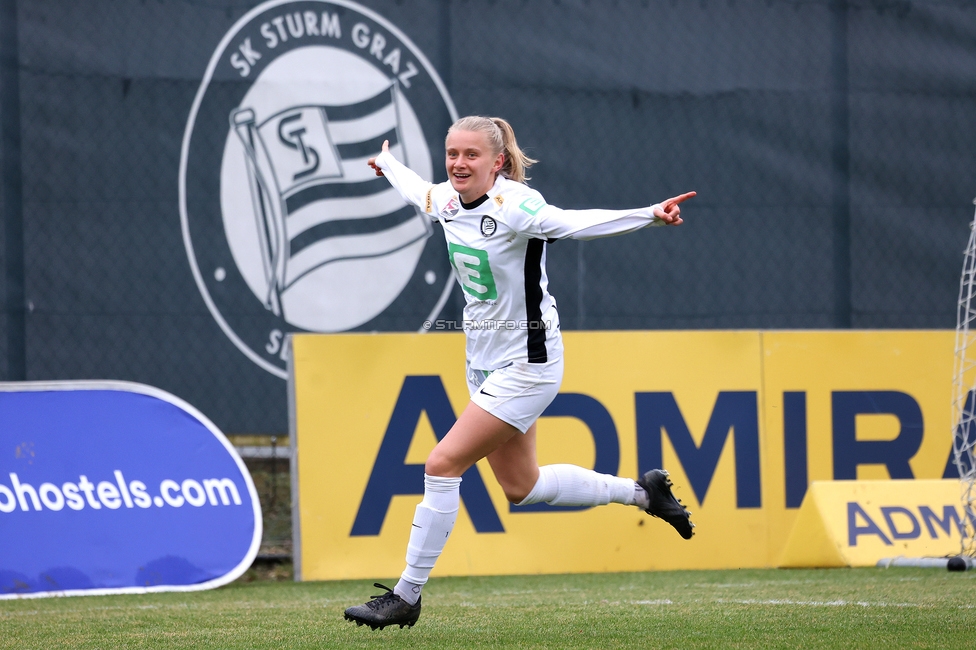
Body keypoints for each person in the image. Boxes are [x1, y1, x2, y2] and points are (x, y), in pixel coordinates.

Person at [343, 116, 696, 630]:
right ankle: (644, 493)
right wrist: (389, 164)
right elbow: (418, 191)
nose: (459, 164)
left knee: (442, 465)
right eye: (452, 154)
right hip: (483, 360)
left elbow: (575, 223)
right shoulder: (446, 198)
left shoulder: (518, 206)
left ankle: (406, 595)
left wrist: (649, 215)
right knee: (521, 487)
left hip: (528, 361)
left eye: (471, 156)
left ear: (498, 162)